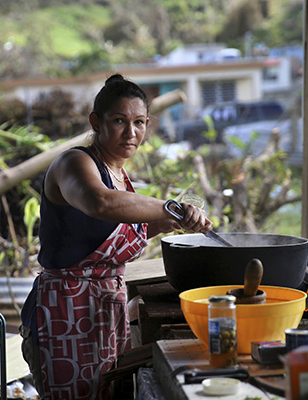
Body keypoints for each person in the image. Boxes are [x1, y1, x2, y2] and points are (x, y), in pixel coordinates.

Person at [20, 74, 213, 400]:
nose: (131, 132)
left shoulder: (120, 175)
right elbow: (100, 203)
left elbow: (110, 238)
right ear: (96, 121)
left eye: (139, 122)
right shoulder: (75, 163)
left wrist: (169, 222)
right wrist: (169, 207)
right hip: (62, 315)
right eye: (119, 121)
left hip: (105, 313)